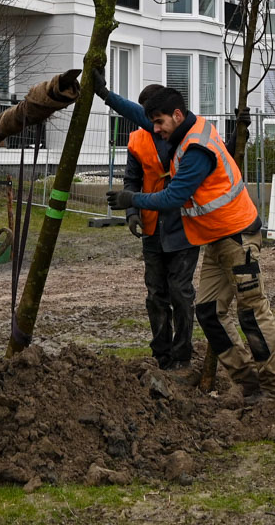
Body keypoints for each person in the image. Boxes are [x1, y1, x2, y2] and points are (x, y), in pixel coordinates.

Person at [103, 82, 275, 401]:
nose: (154, 129)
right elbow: (138, 114)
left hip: (237, 235)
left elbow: (174, 196)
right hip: (215, 239)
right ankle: (248, 385)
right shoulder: (180, 126)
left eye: (158, 123)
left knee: (251, 310)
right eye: (152, 122)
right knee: (209, 312)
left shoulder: (196, 150)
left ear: (175, 115)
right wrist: (103, 94)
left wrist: (132, 199)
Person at [113, 84, 198, 370]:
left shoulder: (186, 136)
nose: (153, 124)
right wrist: (132, 213)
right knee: (155, 294)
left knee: (180, 291)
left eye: (155, 118)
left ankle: (182, 355)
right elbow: (131, 180)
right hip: (152, 229)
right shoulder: (137, 141)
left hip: (184, 227)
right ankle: (162, 355)